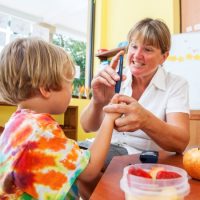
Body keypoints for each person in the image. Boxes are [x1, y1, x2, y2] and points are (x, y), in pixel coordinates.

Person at [0, 37, 120, 200]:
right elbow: (89, 171)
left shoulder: (16, 123)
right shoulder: (42, 129)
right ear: (46, 88)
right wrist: (110, 116)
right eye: (69, 83)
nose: (71, 90)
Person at [80, 18, 190, 164]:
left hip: (137, 156)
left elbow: (180, 143)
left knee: (77, 164)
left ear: (164, 57)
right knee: (61, 153)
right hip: (100, 146)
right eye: (134, 46)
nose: (137, 55)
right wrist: (97, 101)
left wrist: (145, 120)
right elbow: (87, 127)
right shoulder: (115, 78)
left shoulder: (176, 84)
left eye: (148, 49)